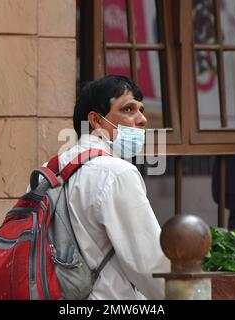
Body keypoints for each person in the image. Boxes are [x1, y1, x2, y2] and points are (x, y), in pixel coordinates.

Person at [55, 75, 168, 299]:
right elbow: (150, 265)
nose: (142, 119)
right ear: (96, 121)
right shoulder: (116, 173)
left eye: (141, 109)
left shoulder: (52, 168)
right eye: (128, 109)